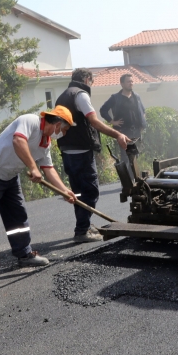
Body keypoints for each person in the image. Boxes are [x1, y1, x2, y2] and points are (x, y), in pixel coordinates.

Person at [0, 106, 77, 282]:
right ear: (58, 124)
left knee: (18, 216)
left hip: (9, 177)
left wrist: (64, 191)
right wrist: (32, 167)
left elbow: (48, 169)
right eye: (65, 130)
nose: (64, 134)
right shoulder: (30, 121)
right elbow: (18, 141)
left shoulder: (45, 143)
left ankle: (24, 255)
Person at [55, 68, 130, 243]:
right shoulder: (80, 95)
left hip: (67, 150)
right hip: (81, 150)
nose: (92, 84)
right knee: (90, 190)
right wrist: (118, 134)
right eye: (92, 81)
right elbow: (94, 121)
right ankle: (82, 231)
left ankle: (84, 226)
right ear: (87, 79)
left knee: (78, 192)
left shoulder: (63, 95)